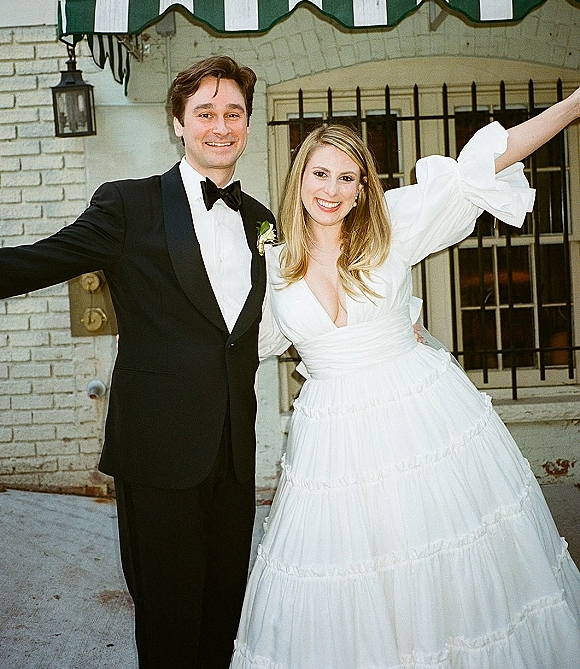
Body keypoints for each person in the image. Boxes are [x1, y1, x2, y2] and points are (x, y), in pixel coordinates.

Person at [231, 95, 580, 669]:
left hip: (419, 415)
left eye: (348, 178)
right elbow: (237, 340)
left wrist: (570, 107)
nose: (332, 189)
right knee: (351, 573)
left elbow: (482, 165)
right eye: (320, 173)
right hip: (333, 435)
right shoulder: (269, 265)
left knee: (438, 558)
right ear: (299, 179)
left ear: (363, 188)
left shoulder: (389, 227)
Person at [0, 55, 275, 669]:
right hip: (157, 451)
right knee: (169, 618)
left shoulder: (262, 221)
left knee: (223, 614)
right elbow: (42, 259)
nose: (220, 126)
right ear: (179, 123)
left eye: (233, 113)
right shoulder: (128, 205)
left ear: (248, 124)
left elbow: (293, 303)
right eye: (205, 113)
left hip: (233, 454)